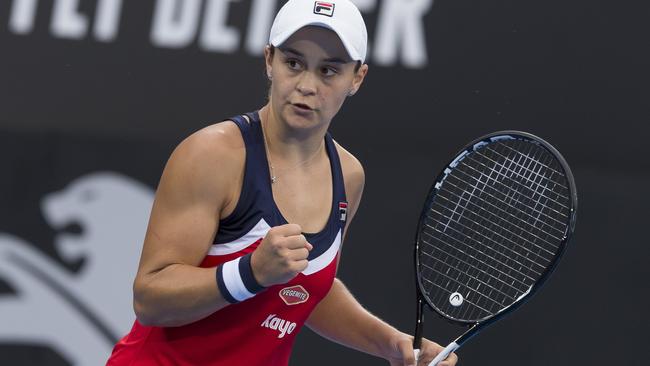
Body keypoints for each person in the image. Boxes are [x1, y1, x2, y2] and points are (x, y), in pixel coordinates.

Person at [106, 1, 458, 365]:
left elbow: (304, 290)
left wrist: (392, 344)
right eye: (294, 63)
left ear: (357, 78)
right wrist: (251, 272)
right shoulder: (212, 155)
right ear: (268, 60)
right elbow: (150, 301)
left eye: (328, 71)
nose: (306, 86)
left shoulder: (349, 176)